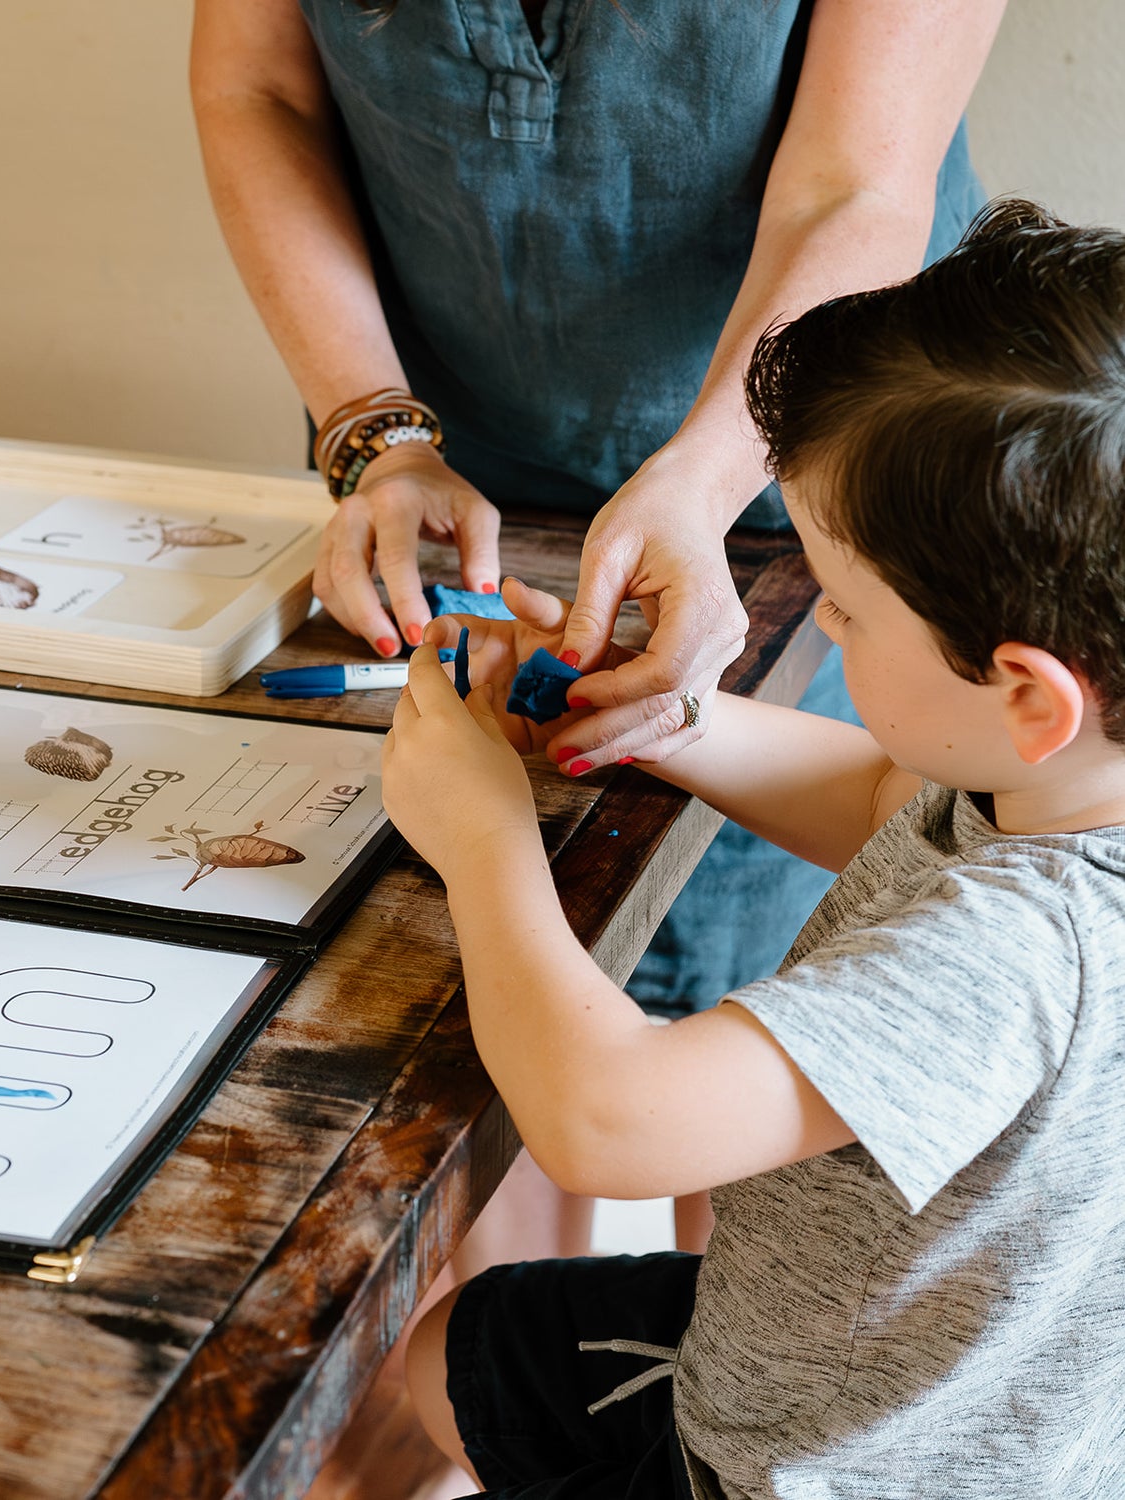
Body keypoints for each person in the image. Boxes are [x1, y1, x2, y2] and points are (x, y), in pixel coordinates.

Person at [382, 199, 1125, 1497]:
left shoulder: (1016, 958)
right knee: (459, 1349)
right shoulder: (1060, 788)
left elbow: (610, 1123)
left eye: (843, 602)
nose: (823, 627)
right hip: (926, 1368)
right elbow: (888, 789)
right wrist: (661, 720)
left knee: (439, 1355)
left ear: (1027, 692)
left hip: (827, 1464)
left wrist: (483, 837)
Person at [190, 0, 1006, 1040]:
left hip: (798, 474)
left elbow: (855, 186)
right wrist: (378, 434)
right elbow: (253, 87)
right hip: (448, 463)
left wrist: (701, 485)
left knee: (714, 975)